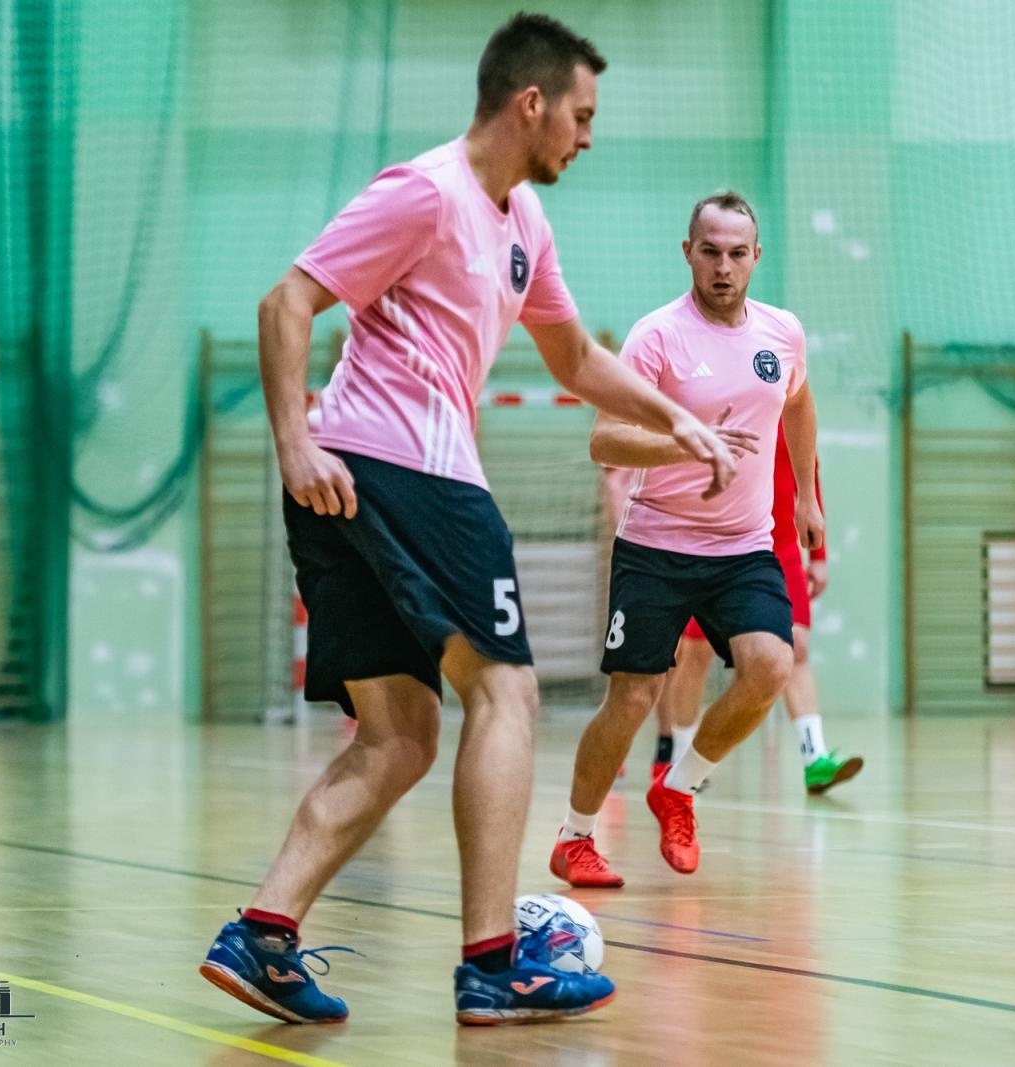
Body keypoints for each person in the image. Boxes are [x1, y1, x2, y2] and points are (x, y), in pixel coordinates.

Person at [198, 14, 736, 1026]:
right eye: (581, 115)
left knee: (399, 737)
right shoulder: (426, 191)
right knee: (508, 692)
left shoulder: (523, 221)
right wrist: (293, 443)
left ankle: (263, 931)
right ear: (531, 103)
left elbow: (576, 360)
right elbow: (285, 304)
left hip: (364, 485)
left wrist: (678, 420)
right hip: (407, 470)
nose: (588, 136)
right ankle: (493, 962)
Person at [549, 190, 821, 889]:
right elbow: (605, 439)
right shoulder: (657, 337)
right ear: (688, 253)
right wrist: (688, 443)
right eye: (710, 252)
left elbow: (798, 403)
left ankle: (679, 787)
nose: (723, 267)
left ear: (756, 256)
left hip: (743, 546)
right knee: (633, 698)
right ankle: (575, 837)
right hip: (657, 545)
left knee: (771, 665)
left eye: (737, 253)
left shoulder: (782, 333)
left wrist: (807, 498)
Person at [650, 425, 863, 795]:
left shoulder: (791, 408)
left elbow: (808, 478)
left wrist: (818, 555)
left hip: (780, 549)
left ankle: (814, 757)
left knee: (796, 647)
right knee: (696, 653)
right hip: (715, 548)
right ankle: (681, 757)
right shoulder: (717, 406)